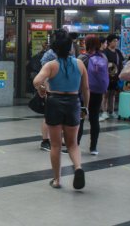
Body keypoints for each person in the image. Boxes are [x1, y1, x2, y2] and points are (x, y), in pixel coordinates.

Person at [33, 29, 89, 189]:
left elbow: (37, 81)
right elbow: (86, 88)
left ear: (55, 49)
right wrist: (85, 107)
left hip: (54, 102)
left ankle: (57, 180)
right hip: (73, 103)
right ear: (70, 48)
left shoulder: (51, 65)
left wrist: (41, 89)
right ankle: (78, 167)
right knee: (72, 144)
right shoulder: (79, 64)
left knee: (56, 145)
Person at [78, 35, 108, 155]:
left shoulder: (82, 58)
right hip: (98, 93)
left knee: (80, 119)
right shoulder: (103, 57)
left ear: (87, 44)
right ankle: (93, 148)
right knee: (94, 119)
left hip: (84, 93)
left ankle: (75, 144)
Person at [101, 34, 124, 120]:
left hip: (115, 77)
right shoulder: (105, 52)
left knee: (113, 94)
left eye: (117, 41)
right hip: (106, 77)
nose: (116, 42)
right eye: (114, 41)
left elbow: (121, 64)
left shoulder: (118, 52)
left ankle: (111, 111)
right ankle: (104, 111)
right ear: (109, 42)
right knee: (105, 95)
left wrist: (121, 74)